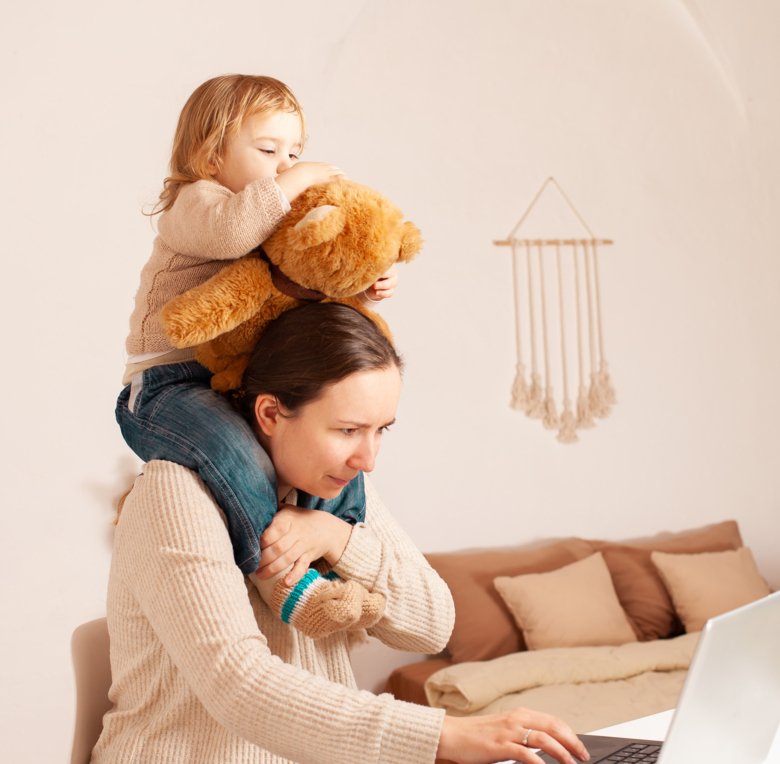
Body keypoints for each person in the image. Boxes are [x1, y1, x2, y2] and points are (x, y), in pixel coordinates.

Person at [94, 303, 590, 764]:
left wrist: (339, 538)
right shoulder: (174, 496)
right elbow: (238, 685)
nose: (368, 459)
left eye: (381, 430)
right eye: (348, 430)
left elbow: (432, 624)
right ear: (269, 413)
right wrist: (444, 736)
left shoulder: (335, 491)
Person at [115, 74, 397, 635]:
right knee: (235, 451)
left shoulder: (265, 212)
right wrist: (296, 181)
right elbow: (230, 236)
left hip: (231, 377)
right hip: (167, 385)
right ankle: (280, 578)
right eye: (268, 151)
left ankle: (330, 556)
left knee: (343, 463)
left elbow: (295, 274)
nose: (284, 164)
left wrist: (359, 281)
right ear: (210, 151)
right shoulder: (198, 202)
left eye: (294, 152)